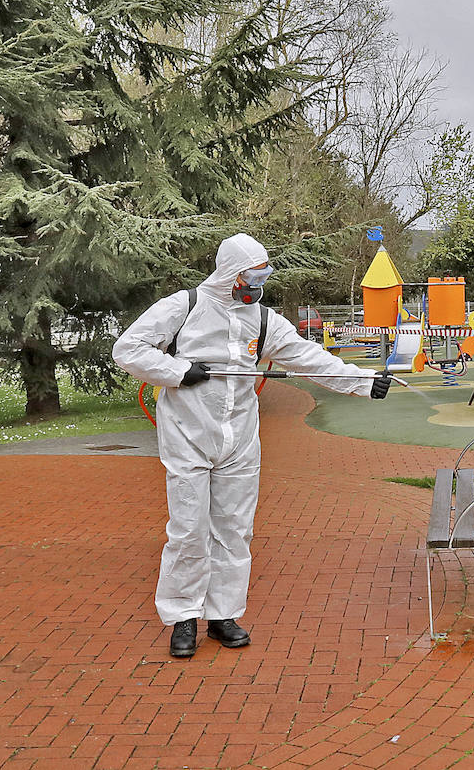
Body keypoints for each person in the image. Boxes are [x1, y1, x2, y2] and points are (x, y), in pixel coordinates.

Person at [113, 233, 391, 658]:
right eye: (252, 275)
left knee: (235, 529)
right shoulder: (183, 307)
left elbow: (307, 356)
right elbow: (128, 348)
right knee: (189, 529)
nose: (257, 283)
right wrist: (176, 370)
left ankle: (223, 614)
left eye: (263, 275)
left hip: (239, 438)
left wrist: (363, 382)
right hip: (189, 434)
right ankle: (183, 616)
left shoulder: (262, 320)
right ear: (231, 273)